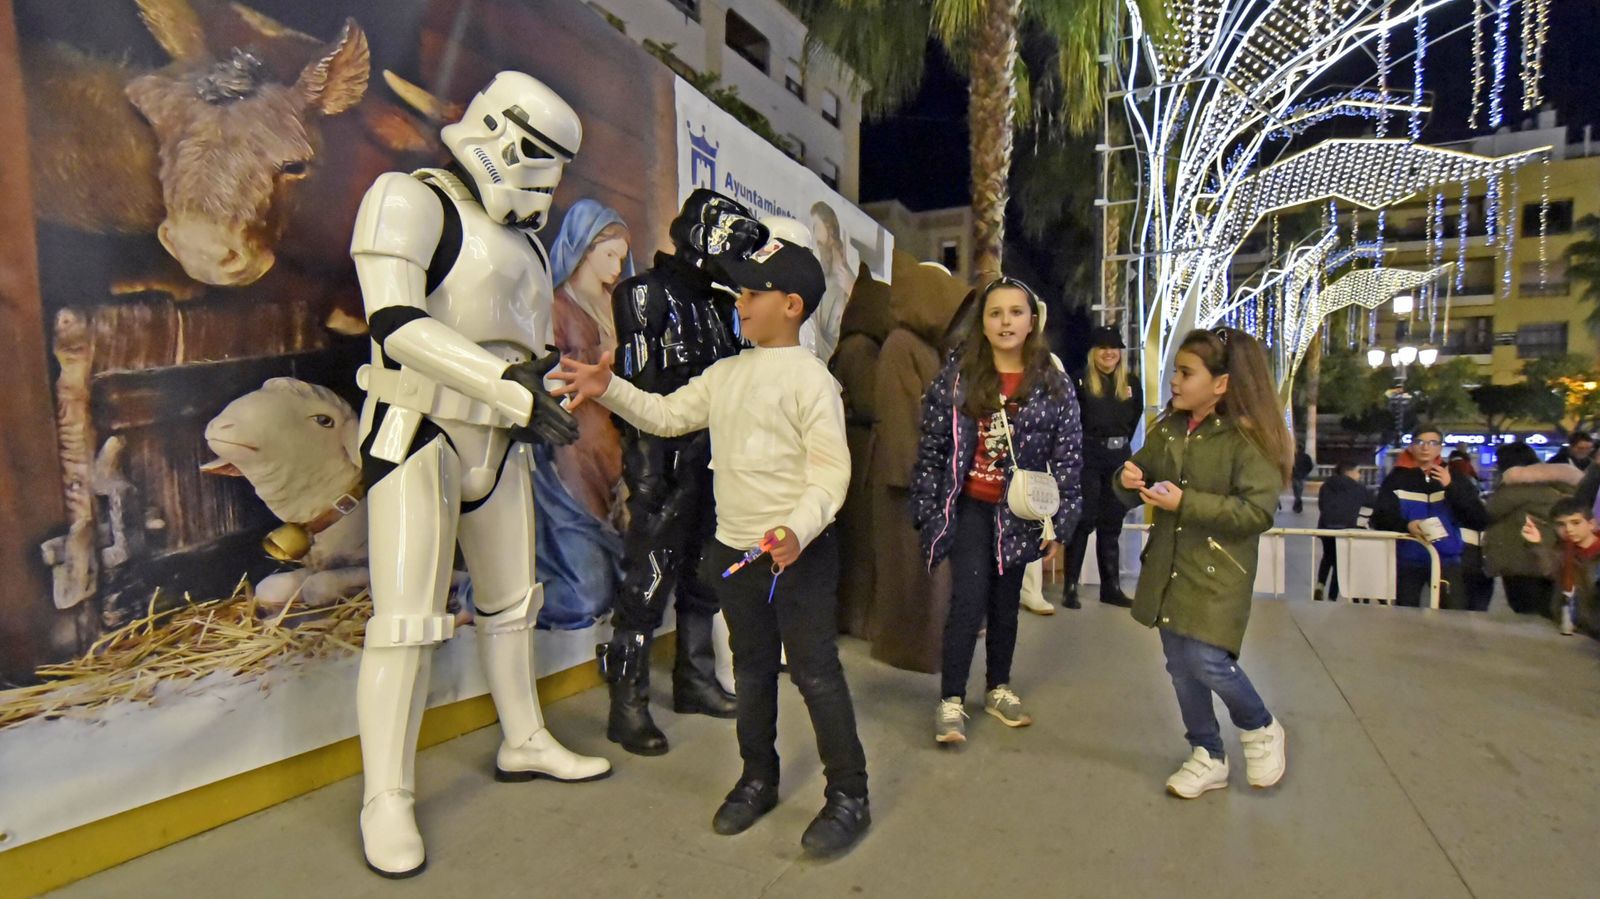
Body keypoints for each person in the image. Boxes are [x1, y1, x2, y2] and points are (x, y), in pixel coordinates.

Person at [551, 237, 871, 857]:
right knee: (751, 670)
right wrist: (608, 386)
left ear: (793, 305)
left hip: (797, 556)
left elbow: (832, 474)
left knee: (815, 674)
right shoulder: (725, 374)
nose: (741, 303)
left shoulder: (812, 382)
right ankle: (757, 777)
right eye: (740, 292)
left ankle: (848, 794)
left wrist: (797, 530)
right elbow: (666, 416)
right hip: (736, 553)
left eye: (753, 293)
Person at [592, 190, 765, 756]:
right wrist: (647, 479)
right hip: (663, 464)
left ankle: (693, 680)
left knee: (703, 576)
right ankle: (628, 702)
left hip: (716, 462)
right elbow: (637, 393)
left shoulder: (722, 307)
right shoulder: (643, 295)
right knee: (646, 585)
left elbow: (738, 389)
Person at [1112, 327, 1291, 799]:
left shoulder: (1246, 440)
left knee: (1208, 660)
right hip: (1169, 565)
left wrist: (1184, 503)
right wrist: (1129, 477)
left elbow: (1256, 512)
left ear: (1222, 383)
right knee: (1179, 664)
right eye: (1175, 370)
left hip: (1217, 572)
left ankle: (1260, 725)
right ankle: (1207, 752)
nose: (1175, 381)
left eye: (1186, 373)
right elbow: (1137, 475)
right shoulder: (1169, 428)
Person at [909, 276, 1083, 745]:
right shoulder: (958, 374)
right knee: (968, 600)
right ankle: (950, 699)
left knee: (1006, 604)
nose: (1006, 321)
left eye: (1015, 312)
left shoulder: (1053, 383)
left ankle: (998, 687)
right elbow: (931, 444)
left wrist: (1059, 520)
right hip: (967, 507)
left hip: (1021, 512)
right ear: (982, 323)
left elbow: (1068, 455)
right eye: (995, 313)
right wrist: (927, 508)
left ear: (1032, 322)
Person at [532, 200, 632, 630]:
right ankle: (486, 599)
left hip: (617, 454)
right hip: (571, 460)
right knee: (589, 594)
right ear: (582, 248)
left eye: (622, 259)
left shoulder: (621, 307)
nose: (615, 268)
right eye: (608, 254)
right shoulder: (554, 307)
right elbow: (546, 379)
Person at [1062, 325, 1143, 609]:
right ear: (1093, 352)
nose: (1109, 353)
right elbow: (1072, 422)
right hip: (1089, 457)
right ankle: (1070, 586)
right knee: (1083, 521)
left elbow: (1134, 420)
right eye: (1103, 347)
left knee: (1112, 524)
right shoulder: (1079, 382)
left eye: (1114, 347)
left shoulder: (1131, 383)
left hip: (1118, 457)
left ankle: (1111, 587)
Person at [1372, 426, 1487, 609]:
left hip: (1448, 560)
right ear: (1411, 446)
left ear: (1440, 448)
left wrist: (1450, 487)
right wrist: (1407, 525)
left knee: (1453, 615)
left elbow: (1478, 518)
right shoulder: (1396, 479)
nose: (1426, 448)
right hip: (1407, 559)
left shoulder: (1454, 477)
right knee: (1405, 616)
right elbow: (1380, 517)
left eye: (1432, 443)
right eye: (1420, 442)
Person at [1483, 442, 1578, 616]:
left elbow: (1490, 511)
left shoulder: (1518, 487)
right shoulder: (1557, 484)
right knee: (1544, 609)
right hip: (1549, 556)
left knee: (1526, 610)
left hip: (1521, 558)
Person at [1314, 462, 1370, 601]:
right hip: (1347, 529)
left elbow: (1322, 505)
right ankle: (1332, 596)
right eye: (1358, 471)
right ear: (1349, 472)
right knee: (1340, 563)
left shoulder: (1326, 485)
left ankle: (1320, 585)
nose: (1359, 475)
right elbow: (1367, 506)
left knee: (1328, 556)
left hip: (1326, 527)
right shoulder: (1359, 488)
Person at [1291, 444, 1315, 513]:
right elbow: (1310, 466)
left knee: (1296, 491)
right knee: (1299, 491)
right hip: (1302, 476)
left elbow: (1290, 465)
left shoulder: (1294, 456)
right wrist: (1306, 472)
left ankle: (1297, 504)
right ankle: (1297, 504)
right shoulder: (1306, 457)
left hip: (1295, 476)